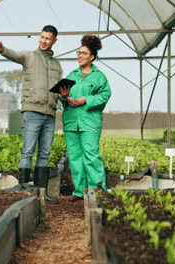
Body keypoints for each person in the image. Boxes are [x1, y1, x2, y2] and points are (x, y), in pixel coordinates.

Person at [0, 25, 62, 204]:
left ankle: (41, 193)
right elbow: (15, 55)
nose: (44, 41)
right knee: (28, 151)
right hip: (32, 111)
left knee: (44, 153)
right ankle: (23, 191)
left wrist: (65, 97)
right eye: (42, 37)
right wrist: (2, 49)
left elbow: (59, 89)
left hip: (50, 114)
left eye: (48, 38)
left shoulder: (56, 64)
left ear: (54, 41)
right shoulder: (29, 56)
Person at [59, 34, 112, 202]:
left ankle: (97, 188)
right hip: (71, 121)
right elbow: (61, 96)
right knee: (74, 157)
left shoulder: (99, 76)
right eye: (78, 52)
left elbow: (105, 95)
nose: (80, 56)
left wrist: (86, 99)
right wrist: (65, 97)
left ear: (92, 57)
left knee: (91, 154)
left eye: (84, 53)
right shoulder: (71, 75)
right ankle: (79, 191)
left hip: (90, 122)